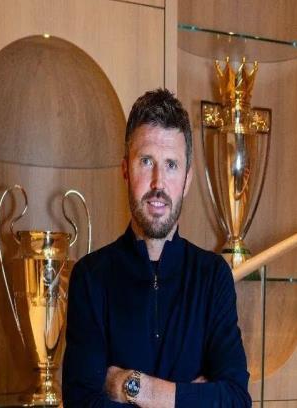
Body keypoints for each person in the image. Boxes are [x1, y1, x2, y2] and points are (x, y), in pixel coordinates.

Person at [62, 88, 251, 407]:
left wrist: (134, 387)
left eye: (171, 165)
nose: (158, 183)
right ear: (126, 169)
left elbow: (236, 400)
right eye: (146, 161)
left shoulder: (212, 277)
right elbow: (81, 403)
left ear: (187, 179)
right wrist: (191, 396)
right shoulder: (91, 277)